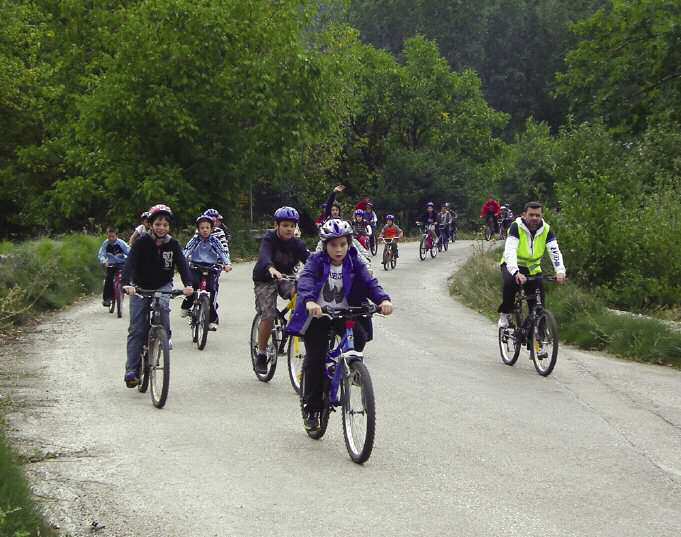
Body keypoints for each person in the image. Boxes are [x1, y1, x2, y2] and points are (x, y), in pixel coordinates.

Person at [286, 219, 393, 431]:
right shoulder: (316, 261)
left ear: (349, 244)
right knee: (315, 359)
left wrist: (383, 300)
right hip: (319, 315)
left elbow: (369, 282)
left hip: (346, 313)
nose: (339, 249)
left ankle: (349, 367)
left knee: (360, 335)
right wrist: (309, 301)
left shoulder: (354, 261)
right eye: (334, 245)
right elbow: (306, 280)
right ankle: (312, 407)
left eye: (343, 244)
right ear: (325, 245)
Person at [121, 204, 193, 387]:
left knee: (163, 306)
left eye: (165, 225)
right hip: (139, 287)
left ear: (169, 227)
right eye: (158, 224)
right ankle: (132, 370)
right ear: (151, 224)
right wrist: (126, 284)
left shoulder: (173, 244)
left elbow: (183, 266)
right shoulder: (141, 242)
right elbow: (129, 263)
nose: (161, 228)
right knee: (137, 328)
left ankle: (164, 336)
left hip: (162, 284)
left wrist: (189, 285)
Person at [252, 206, 310, 374]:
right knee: (268, 315)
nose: (289, 229)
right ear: (277, 225)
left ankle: (296, 326)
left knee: (302, 295)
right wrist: (271, 268)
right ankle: (262, 354)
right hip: (265, 278)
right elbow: (264, 256)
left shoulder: (297, 243)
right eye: (285, 225)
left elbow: (310, 260)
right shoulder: (269, 238)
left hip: (286, 277)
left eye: (292, 226)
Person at [498, 201, 566, 328]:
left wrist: (560, 271)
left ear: (541, 216)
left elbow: (554, 251)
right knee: (510, 284)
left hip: (533, 268)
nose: (535, 218)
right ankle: (505, 313)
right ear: (524, 215)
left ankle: (535, 336)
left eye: (537, 215)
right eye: (531, 215)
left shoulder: (546, 229)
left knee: (538, 305)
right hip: (512, 265)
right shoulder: (516, 227)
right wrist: (516, 272)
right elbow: (510, 250)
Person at [181, 215, 232, 330]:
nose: (204, 230)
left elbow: (222, 252)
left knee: (212, 291)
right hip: (195, 267)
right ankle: (186, 305)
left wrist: (227, 264)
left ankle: (212, 319)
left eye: (207, 228)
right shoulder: (195, 239)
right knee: (192, 285)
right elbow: (187, 250)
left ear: (211, 229)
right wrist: (183, 260)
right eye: (202, 228)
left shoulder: (215, 240)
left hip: (211, 268)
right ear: (198, 229)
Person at [97, 228, 130, 307]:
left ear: (116, 236)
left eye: (113, 236)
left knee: (126, 275)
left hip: (121, 263)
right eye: (109, 237)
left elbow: (129, 252)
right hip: (111, 264)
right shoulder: (105, 243)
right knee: (109, 278)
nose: (111, 239)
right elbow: (101, 254)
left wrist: (130, 260)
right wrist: (104, 261)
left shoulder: (121, 243)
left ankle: (126, 288)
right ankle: (107, 299)